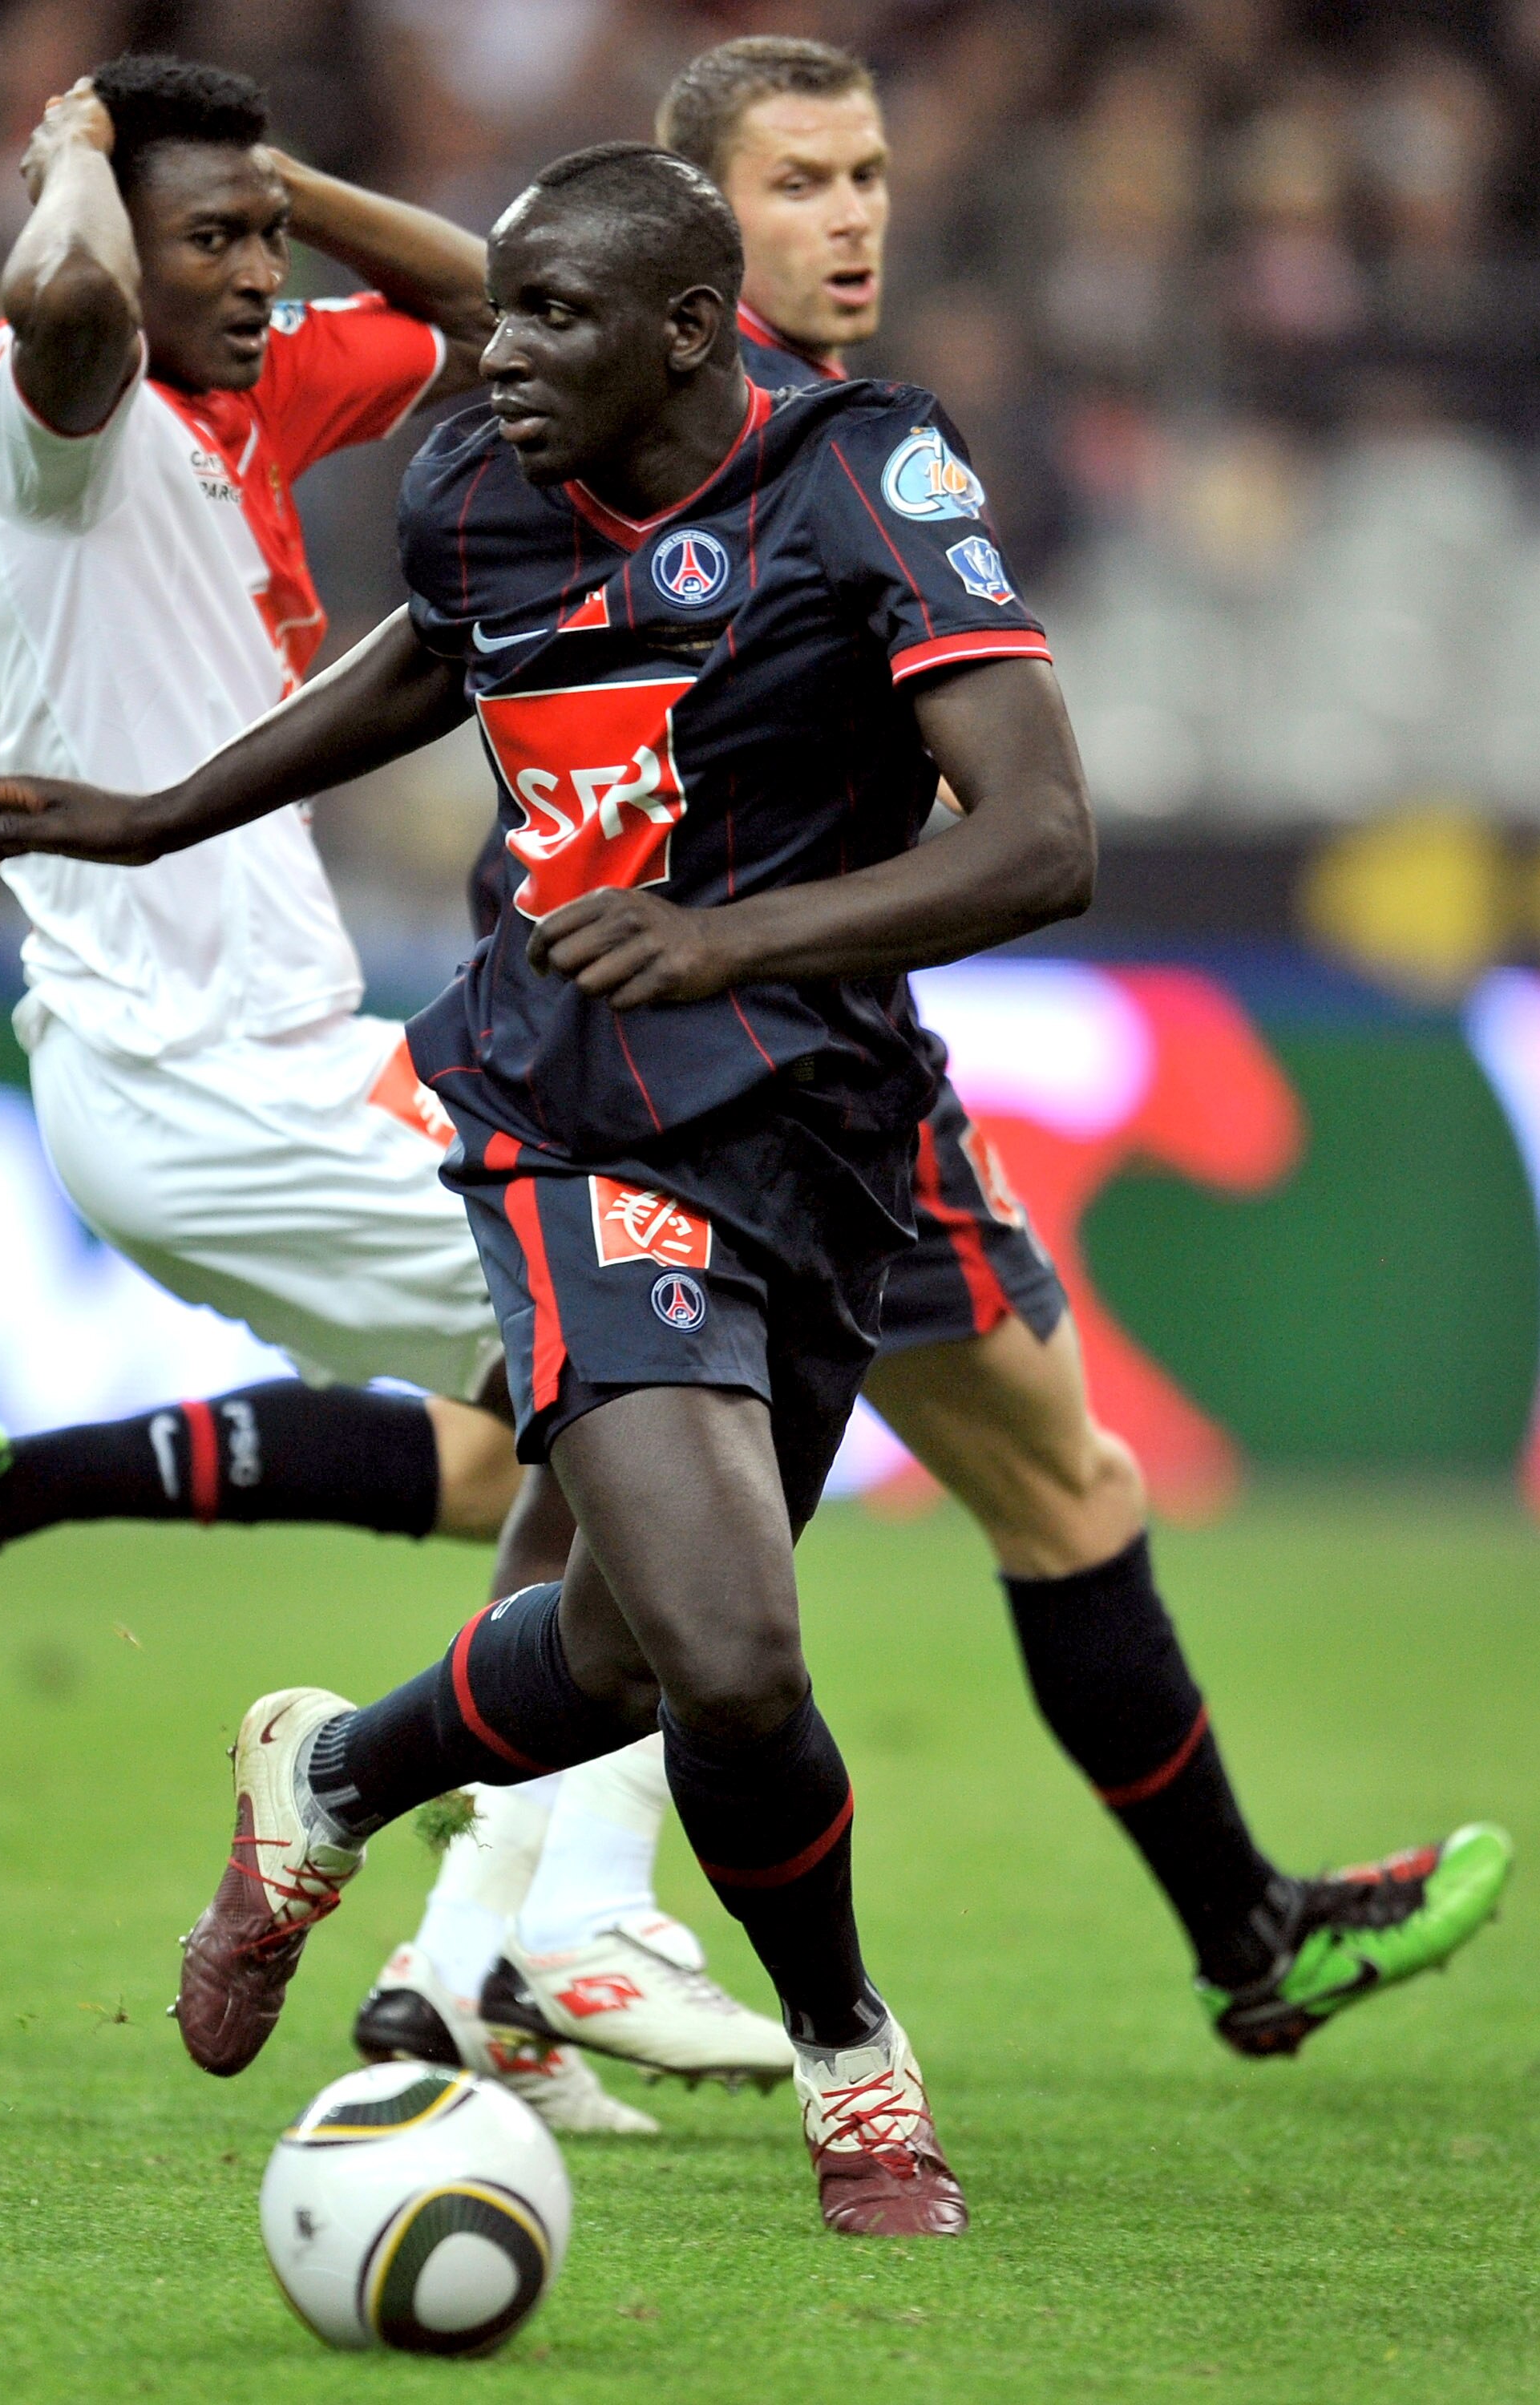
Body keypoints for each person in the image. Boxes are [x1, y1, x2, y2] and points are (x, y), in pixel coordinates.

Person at [0, 135, 1110, 2237]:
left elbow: (1041, 839)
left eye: (551, 317)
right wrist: (142, 818)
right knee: (736, 1657)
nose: (502, 350)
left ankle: (341, 1778)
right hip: (568, 1116)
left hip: (820, 1133)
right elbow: (420, 664)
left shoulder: (857, 483)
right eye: (507, 309)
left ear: (682, 331)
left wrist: (735, 940)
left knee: (645, 1660)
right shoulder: (485, 480)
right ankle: (854, 2058)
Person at [370, 34, 1514, 2085]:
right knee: (644, 1553)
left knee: (1001, 1488)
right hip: (640, 1072)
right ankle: (508, 1940)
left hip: (827, 1080)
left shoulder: (845, 439)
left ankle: (497, 1943)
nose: (857, 215)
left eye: (873, 173)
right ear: (701, 231)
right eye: (803, 180)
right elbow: (484, 295)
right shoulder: (620, 405)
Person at [0, 51, 697, 2134]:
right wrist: (77, 160)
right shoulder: (52, 429)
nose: (259, 274)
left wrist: (284, 180)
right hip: (206, 1077)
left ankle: (11, 1496)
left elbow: (509, 309)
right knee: (670, 1396)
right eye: (226, 241)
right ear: (116, 232)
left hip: (273, 1068)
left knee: (515, 1464)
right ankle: (546, 1926)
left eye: (267, 237)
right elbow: (71, 308)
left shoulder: (245, 389)